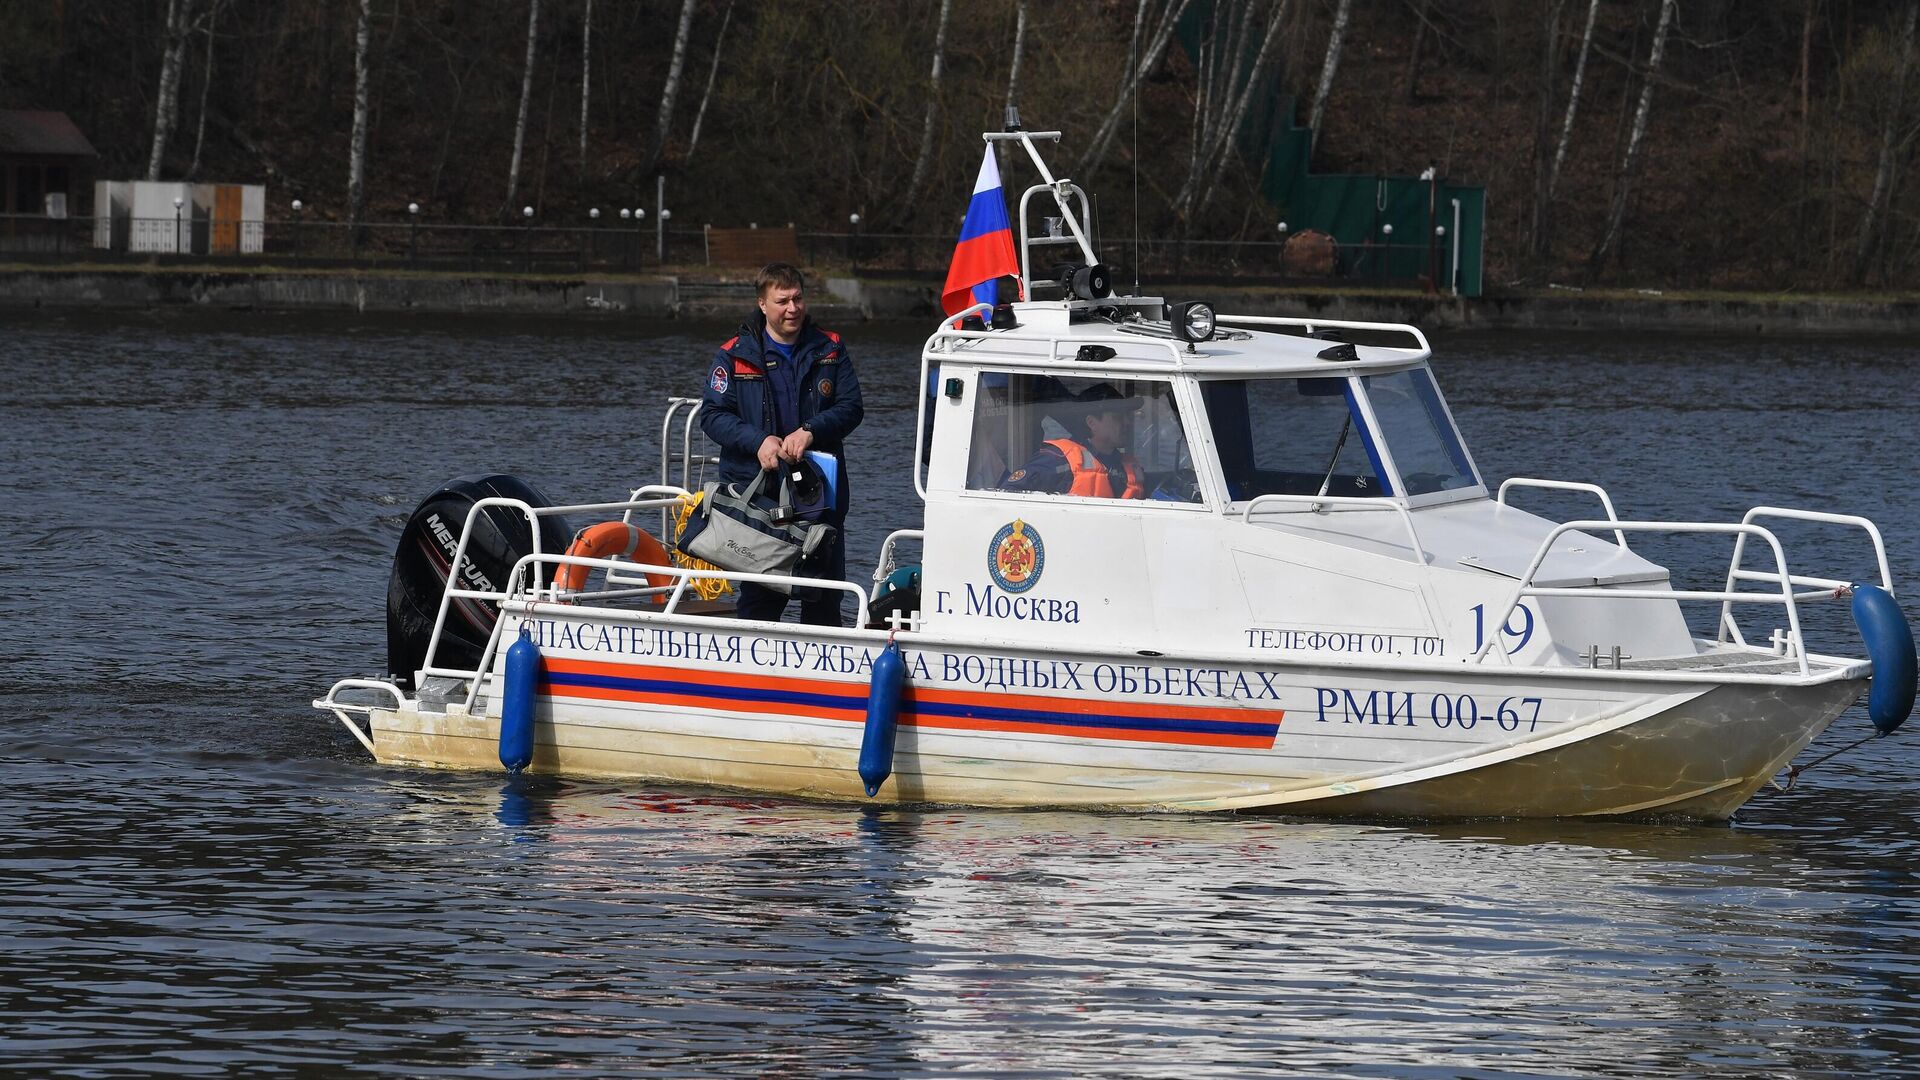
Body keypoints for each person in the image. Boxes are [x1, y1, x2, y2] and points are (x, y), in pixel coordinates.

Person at [699, 262, 864, 624]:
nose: (793, 308)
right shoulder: (733, 354)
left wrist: (811, 431)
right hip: (760, 497)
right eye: (782, 301)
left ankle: (824, 675)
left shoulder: (830, 348)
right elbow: (712, 416)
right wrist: (758, 441)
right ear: (762, 304)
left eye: (798, 298)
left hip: (819, 495)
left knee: (825, 599)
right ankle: (752, 672)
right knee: (759, 602)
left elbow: (852, 408)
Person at [1001, 383, 1146, 498]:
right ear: (1091, 423)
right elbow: (1008, 494)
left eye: (1127, 416)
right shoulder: (1059, 460)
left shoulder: (1127, 467)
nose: (1127, 422)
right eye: (1118, 417)